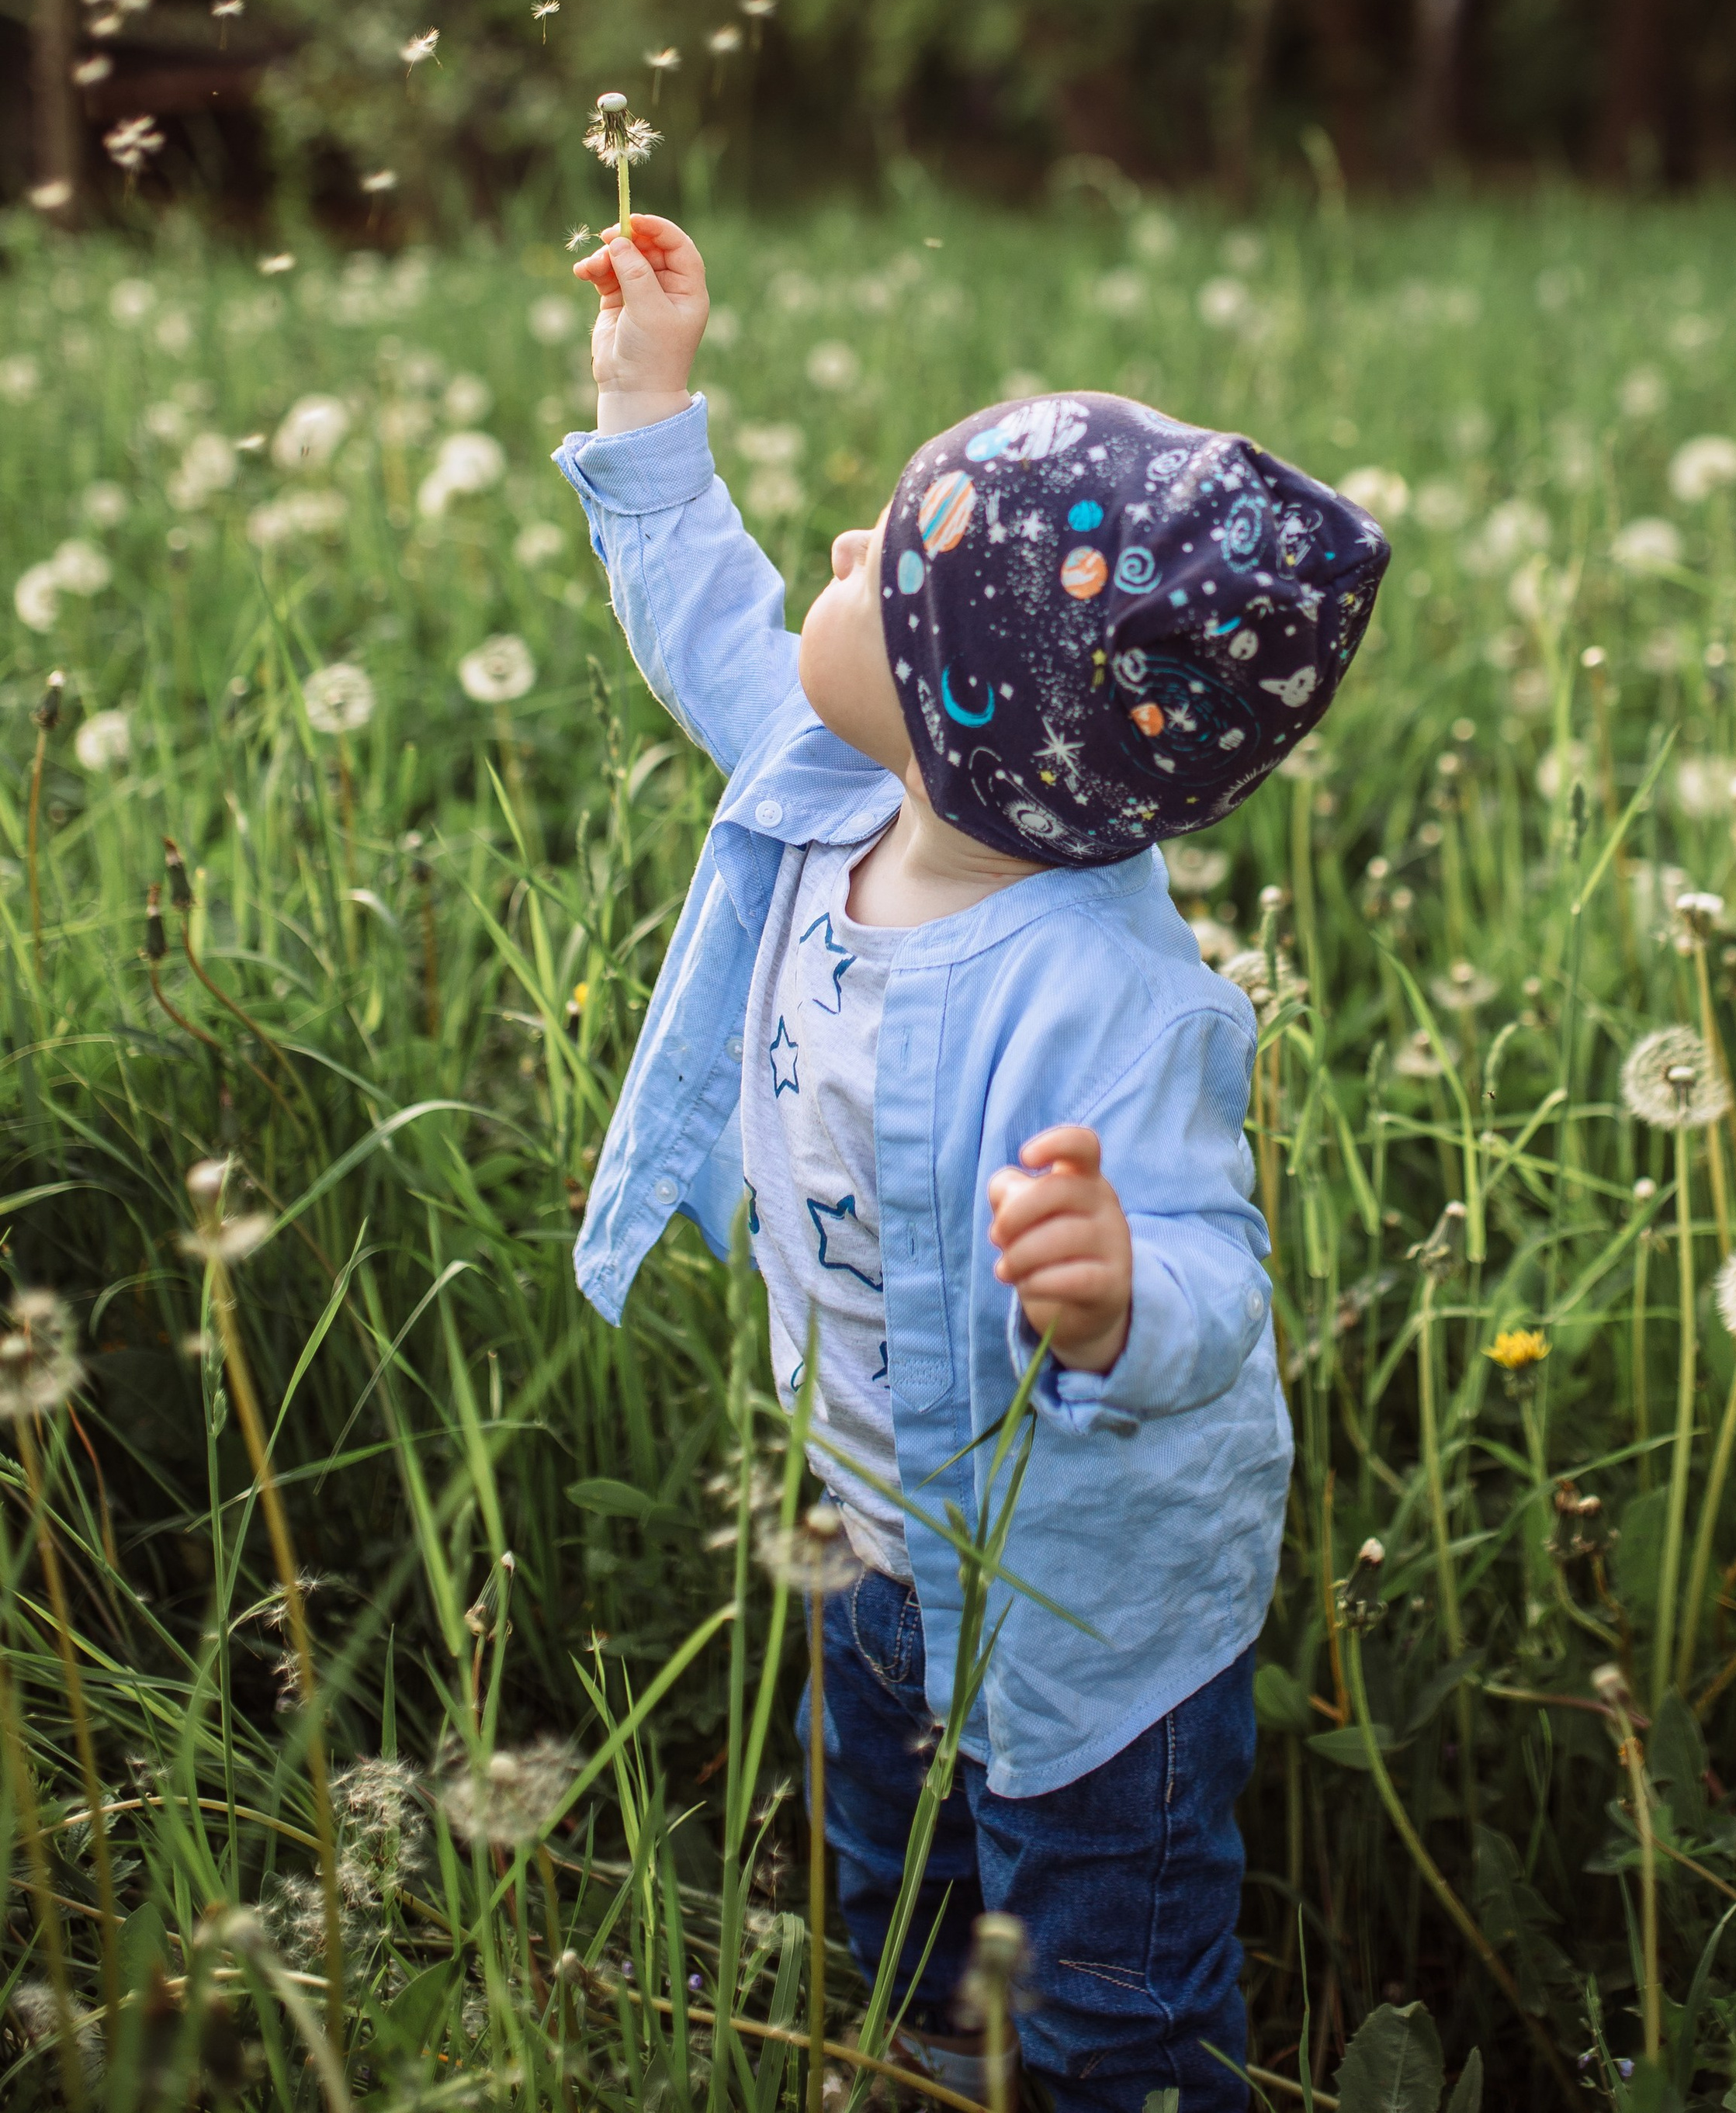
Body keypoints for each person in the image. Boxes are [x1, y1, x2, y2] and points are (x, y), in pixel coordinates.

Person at [558, 213, 1390, 2113]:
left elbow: (1217, 1280)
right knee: (895, 1874)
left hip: (1093, 1598)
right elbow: (702, 617)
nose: (837, 555)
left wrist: (1116, 1286)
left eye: (883, 562)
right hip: (869, 1515)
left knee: (1105, 1969)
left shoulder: (1108, 985)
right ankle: (930, 2053)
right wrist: (645, 396)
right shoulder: (845, 775)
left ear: (966, 705)